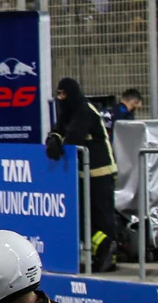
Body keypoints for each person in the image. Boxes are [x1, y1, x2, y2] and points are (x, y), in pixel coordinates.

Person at [48, 77, 124, 271]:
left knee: (102, 215)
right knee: (82, 215)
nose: (61, 98)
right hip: (82, 173)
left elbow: (73, 136)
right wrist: (53, 139)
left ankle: (109, 257)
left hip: (101, 171)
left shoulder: (85, 110)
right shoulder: (67, 110)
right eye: (59, 94)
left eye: (64, 94)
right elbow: (59, 128)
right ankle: (104, 248)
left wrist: (61, 142)